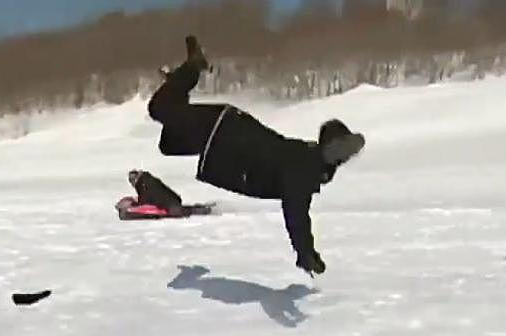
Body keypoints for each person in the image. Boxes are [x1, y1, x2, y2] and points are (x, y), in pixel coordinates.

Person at [147, 36, 366, 277]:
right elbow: (296, 212)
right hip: (224, 131)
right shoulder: (304, 166)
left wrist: (306, 252)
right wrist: (306, 252)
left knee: (169, 142)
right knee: (160, 109)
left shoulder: (306, 164)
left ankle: (178, 86)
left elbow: (297, 209)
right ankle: (190, 69)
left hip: (223, 137)